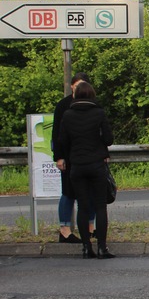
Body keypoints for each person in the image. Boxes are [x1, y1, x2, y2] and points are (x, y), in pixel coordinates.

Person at [56, 81, 115, 259]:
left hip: (77, 166)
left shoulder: (68, 115)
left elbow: (62, 141)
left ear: (75, 95)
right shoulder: (99, 113)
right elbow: (108, 139)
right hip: (96, 164)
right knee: (99, 207)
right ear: (92, 95)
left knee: (82, 206)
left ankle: (86, 247)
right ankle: (102, 248)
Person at [51, 72, 89, 243]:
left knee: (90, 192)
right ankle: (65, 229)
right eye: (77, 84)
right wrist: (58, 157)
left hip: (87, 155)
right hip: (68, 156)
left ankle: (91, 227)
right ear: (72, 85)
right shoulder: (63, 105)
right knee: (67, 192)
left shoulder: (91, 104)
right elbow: (56, 134)